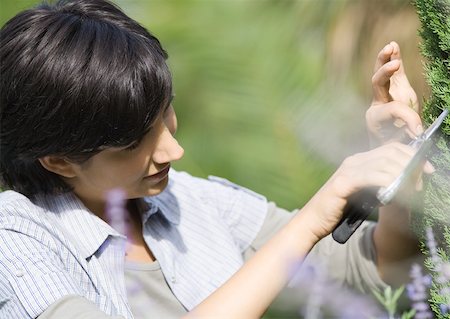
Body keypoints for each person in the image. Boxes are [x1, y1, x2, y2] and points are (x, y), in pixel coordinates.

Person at [0, 0, 432, 318]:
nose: (173, 150)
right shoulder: (16, 238)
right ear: (58, 160)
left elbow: (373, 272)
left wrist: (394, 177)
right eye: (133, 144)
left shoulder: (191, 202)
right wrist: (312, 219)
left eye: (165, 113)